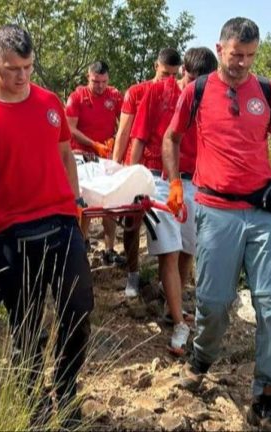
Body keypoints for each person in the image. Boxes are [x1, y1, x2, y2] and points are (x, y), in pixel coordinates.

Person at [163, 17, 271, 431]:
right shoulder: (197, 90)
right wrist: (174, 185)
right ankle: (202, 356)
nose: (242, 65)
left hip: (264, 213)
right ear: (220, 49)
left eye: (250, 57)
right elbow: (171, 137)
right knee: (215, 303)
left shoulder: (268, 93)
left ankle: (267, 398)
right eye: (236, 56)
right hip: (215, 210)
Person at [0, 24, 93, 427]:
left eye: (28, 67)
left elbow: (65, 155)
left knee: (79, 310)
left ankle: (64, 389)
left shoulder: (49, 102)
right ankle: (31, 403)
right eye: (13, 68)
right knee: (27, 329)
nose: (23, 76)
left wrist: (77, 201)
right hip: (10, 235)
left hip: (61, 224)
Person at [130, 47, 218, 356]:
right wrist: (130, 179)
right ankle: (180, 323)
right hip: (159, 179)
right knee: (168, 249)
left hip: (196, 182)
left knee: (187, 250)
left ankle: (172, 307)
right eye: (190, 79)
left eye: (201, 83)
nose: (194, 87)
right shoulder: (156, 93)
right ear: (183, 72)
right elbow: (138, 138)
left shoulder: (210, 100)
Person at [112, 48, 182, 298]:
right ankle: (132, 272)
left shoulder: (179, 94)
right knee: (132, 224)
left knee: (171, 230)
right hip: (139, 165)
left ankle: (171, 285)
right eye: (165, 74)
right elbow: (124, 132)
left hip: (166, 171)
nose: (169, 80)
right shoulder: (137, 92)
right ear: (155, 66)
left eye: (174, 75)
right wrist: (118, 167)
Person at [66, 60, 125, 265]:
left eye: (103, 82)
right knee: (86, 204)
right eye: (95, 81)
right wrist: (93, 144)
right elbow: (70, 129)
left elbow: (125, 121)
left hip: (105, 157)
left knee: (110, 202)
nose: (99, 86)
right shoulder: (77, 97)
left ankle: (109, 249)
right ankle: (82, 246)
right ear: (87, 78)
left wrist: (115, 139)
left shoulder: (114, 96)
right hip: (81, 155)